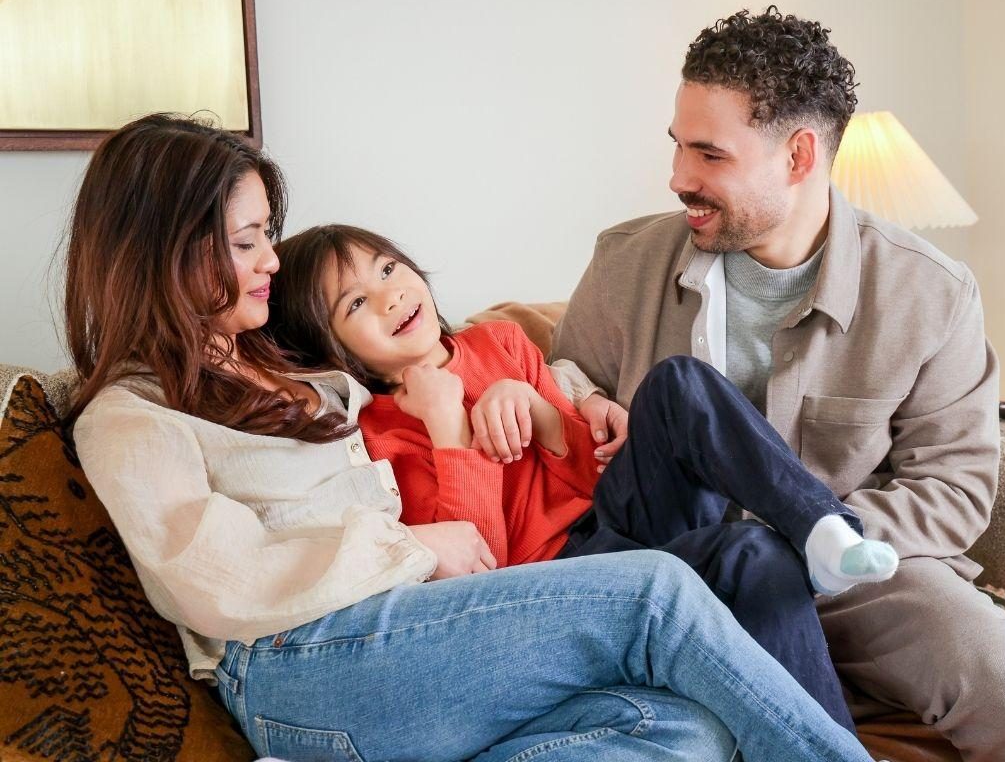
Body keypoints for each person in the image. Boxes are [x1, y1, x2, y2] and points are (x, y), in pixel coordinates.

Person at [62, 113, 880, 762]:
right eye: (245, 243)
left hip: (406, 643)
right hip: (301, 667)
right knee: (655, 593)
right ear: (161, 254)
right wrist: (410, 548)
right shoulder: (130, 418)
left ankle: (819, 531)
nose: (270, 261)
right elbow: (217, 580)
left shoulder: (287, 373)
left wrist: (572, 403)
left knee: (685, 730)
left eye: (267, 234)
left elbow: (556, 434)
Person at [551, 7, 1005, 761]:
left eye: (710, 155)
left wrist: (796, 535)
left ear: (799, 155)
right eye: (677, 147)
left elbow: (955, 488)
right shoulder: (625, 263)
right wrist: (580, 401)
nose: (678, 178)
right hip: (673, 563)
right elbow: (563, 396)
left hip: (855, 569)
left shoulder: (928, 293)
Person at [264, 223, 899, 730]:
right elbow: (482, 567)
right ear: (332, 348)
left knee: (676, 381)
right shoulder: (378, 433)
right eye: (355, 303)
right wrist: (447, 429)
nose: (390, 295)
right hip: (563, 592)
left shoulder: (501, 344)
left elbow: (585, 470)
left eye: (387, 268)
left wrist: (532, 403)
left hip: (617, 522)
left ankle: (822, 528)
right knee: (753, 553)